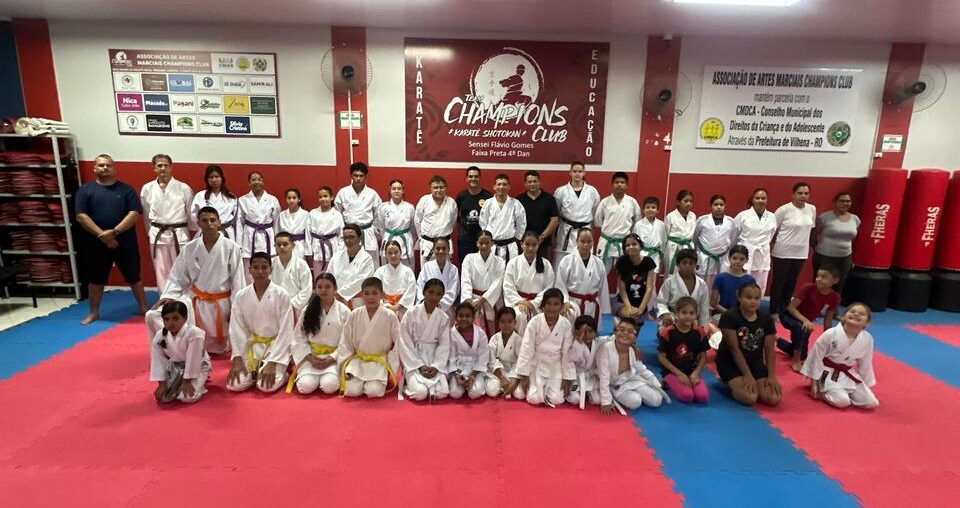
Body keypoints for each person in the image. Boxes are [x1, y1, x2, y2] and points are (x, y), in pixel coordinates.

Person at [146, 206, 245, 355]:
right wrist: (168, 296)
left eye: (212, 220)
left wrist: (237, 307)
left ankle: (202, 347)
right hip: (195, 300)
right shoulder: (190, 248)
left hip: (221, 302)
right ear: (198, 223)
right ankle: (175, 349)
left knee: (219, 344)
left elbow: (238, 281)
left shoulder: (231, 247)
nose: (209, 224)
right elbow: (177, 277)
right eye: (204, 220)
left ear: (219, 222)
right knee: (153, 315)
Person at [75, 154, 148, 324]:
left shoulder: (126, 190)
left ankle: (144, 307)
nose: (105, 168)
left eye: (108, 165)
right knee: (96, 279)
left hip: (124, 241)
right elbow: (81, 216)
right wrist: (102, 235)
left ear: (114, 168)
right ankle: (94, 312)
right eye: (101, 165)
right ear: (95, 168)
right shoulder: (85, 190)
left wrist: (114, 232)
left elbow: (133, 214)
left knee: (134, 276)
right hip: (96, 242)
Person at [226, 252, 295, 393]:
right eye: (256, 267)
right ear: (249, 269)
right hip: (252, 346)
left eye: (264, 267)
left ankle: (282, 374)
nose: (260, 271)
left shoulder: (281, 295)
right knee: (234, 385)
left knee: (266, 386)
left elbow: (286, 331)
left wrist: (273, 362)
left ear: (271, 269)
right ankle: (255, 373)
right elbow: (236, 329)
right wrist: (237, 358)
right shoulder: (241, 296)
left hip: (275, 347)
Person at [801, 302, 879, 409]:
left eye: (861, 314)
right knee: (843, 401)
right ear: (843, 317)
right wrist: (814, 383)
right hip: (826, 372)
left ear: (867, 323)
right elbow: (815, 357)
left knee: (871, 402)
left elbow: (866, 362)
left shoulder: (867, 338)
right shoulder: (831, 334)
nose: (856, 314)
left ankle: (842, 391)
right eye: (852, 311)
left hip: (847, 373)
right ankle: (826, 390)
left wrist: (866, 384)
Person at [717, 282, 782, 407]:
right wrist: (747, 375)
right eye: (748, 298)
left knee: (774, 398)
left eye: (756, 298)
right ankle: (732, 383)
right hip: (730, 362)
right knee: (750, 397)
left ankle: (753, 382)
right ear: (739, 297)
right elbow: (734, 349)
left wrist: (771, 376)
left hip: (754, 361)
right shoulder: (729, 316)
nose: (753, 302)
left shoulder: (766, 319)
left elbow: (769, 349)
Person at [506, 288, 574, 407]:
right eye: (548, 303)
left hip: (555, 365)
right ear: (543, 305)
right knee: (533, 398)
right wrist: (524, 374)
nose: (552, 307)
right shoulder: (534, 322)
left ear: (562, 306)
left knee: (557, 399)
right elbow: (526, 348)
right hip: (537, 363)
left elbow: (567, 352)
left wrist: (567, 376)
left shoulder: (565, 324)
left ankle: (547, 388)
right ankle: (534, 386)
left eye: (556, 304)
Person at [286, 273, 351, 395]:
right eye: (319, 287)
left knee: (329, 386)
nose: (323, 290)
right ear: (315, 289)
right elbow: (298, 338)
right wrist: (310, 357)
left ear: (335, 288)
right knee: (305, 387)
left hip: (333, 358)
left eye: (327, 286)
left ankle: (326, 377)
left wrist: (332, 358)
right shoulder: (307, 310)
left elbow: (347, 341)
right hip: (311, 357)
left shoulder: (344, 312)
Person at [338, 277, 401, 398]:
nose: (370, 297)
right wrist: (345, 364)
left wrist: (391, 368)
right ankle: (357, 379)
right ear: (362, 295)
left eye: (375, 293)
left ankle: (378, 380)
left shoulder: (390, 315)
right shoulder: (354, 314)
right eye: (366, 293)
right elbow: (345, 341)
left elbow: (398, 342)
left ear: (382, 295)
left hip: (380, 362)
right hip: (359, 360)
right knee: (352, 391)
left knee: (373, 391)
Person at [140, 153, 193, 291]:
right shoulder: (147, 189)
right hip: (157, 233)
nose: (162, 168)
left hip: (179, 233)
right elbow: (146, 214)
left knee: (182, 268)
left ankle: (183, 299)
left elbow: (190, 213)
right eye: (159, 165)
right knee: (161, 270)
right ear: (154, 168)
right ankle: (165, 299)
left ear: (171, 167)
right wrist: (150, 232)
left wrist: (191, 231)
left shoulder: (184, 188)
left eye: (165, 165)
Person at [596, 318, 666, 414]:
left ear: (635, 337)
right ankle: (615, 393)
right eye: (621, 329)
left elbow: (642, 369)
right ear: (615, 332)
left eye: (630, 331)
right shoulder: (606, 349)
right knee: (635, 402)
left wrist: (656, 383)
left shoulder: (633, 350)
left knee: (657, 400)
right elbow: (604, 376)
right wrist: (606, 401)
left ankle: (640, 391)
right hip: (615, 384)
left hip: (631, 379)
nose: (625, 333)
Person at [777, 266, 840, 372]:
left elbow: (828, 320)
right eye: (818, 276)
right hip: (788, 316)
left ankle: (777, 339)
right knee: (802, 329)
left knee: (803, 354)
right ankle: (795, 360)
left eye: (823, 277)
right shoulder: (808, 287)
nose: (818, 279)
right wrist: (805, 320)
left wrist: (828, 337)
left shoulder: (835, 297)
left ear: (835, 280)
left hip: (805, 322)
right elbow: (791, 308)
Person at [399, 278, 452, 402]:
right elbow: (405, 341)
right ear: (424, 292)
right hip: (414, 357)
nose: (434, 296)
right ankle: (409, 384)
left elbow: (444, 344)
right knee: (420, 393)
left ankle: (431, 387)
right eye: (431, 292)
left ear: (442, 296)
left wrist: (436, 366)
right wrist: (419, 365)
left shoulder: (443, 317)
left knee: (442, 392)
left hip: (434, 357)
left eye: (438, 294)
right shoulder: (411, 313)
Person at [770, 182, 816, 318]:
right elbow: (773, 230)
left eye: (806, 193)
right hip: (782, 251)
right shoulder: (784, 210)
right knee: (779, 282)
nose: (803, 196)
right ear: (793, 194)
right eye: (800, 193)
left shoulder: (811, 209)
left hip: (801, 253)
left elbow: (811, 228)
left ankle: (784, 308)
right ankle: (774, 310)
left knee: (791, 282)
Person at [149, 300, 210, 404]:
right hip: (175, 367)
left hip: (197, 367)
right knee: (163, 397)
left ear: (185, 318)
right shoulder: (160, 335)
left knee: (187, 397)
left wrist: (187, 381)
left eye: (175, 318)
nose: (170, 323)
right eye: (166, 319)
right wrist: (162, 384)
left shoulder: (194, 333)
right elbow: (158, 360)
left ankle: (200, 381)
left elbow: (193, 358)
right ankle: (183, 382)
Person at [657, 297, 709, 404]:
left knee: (702, 397)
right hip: (672, 371)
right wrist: (679, 374)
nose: (688, 316)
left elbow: (703, 356)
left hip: (691, 370)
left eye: (691, 313)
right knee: (687, 396)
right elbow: (661, 357)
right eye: (684, 312)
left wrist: (696, 373)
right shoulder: (668, 332)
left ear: (696, 314)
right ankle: (667, 381)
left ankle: (689, 380)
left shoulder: (699, 332)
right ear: (677, 313)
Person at [503, 232, 556, 334]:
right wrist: (520, 301)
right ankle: (519, 343)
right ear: (521, 244)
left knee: (543, 318)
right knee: (519, 315)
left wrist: (533, 303)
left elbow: (548, 288)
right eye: (527, 244)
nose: (530, 248)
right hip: (519, 304)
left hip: (539, 305)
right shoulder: (513, 263)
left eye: (534, 245)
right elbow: (508, 287)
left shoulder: (546, 264)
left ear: (538, 245)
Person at [556, 228, 610, 322]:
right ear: (577, 241)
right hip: (571, 304)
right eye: (582, 241)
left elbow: (603, 290)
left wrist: (606, 313)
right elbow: (560, 284)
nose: (586, 245)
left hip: (591, 305)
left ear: (593, 242)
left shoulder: (599, 263)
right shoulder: (567, 260)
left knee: (591, 329)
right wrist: (565, 301)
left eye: (589, 242)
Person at [334, 162, 383, 267]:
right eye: (355, 175)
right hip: (349, 233)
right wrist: (344, 231)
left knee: (371, 264)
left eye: (361, 176)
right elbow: (337, 214)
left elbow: (378, 215)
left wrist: (373, 229)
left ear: (366, 177)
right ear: (351, 176)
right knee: (347, 263)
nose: (358, 178)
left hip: (367, 233)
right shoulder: (343, 193)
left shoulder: (372, 194)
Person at [554, 161, 601, 268]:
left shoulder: (592, 191)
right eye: (574, 171)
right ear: (570, 173)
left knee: (585, 263)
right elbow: (557, 211)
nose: (577, 174)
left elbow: (595, 211)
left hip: (585, 230)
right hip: (566, 230)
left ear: (584, 173)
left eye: (580, 171)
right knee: (562, 264)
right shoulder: (561, 191)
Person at [812, 192, 860, 295]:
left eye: (848, 201)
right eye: (842, 201)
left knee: (839, 284)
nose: (845, 203)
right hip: (824, 256)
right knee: (821, 284)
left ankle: (833, 305)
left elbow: (854, 238)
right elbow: (813, 235)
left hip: (845, 258)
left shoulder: (855, 219)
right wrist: (817, 247)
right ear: (835, 202)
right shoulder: (825, 217)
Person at [238, 171, 280, 283]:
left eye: (259, 179)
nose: (257, 182)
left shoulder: (272, 199)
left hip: (268, 237)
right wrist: (239, 245)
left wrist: (277, 243)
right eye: (253, 180)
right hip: (250, 237)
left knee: (270, 270)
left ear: (263, 181)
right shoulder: (242, 200)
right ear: (249, 183)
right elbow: (239, 223)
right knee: (249, 273)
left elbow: (277, 223)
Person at [461, 230, 506, 337]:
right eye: (481, 243)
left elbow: (497, 283)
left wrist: (482, 300)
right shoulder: (469, 258)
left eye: (487, 243)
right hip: (473, 300)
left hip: (491, 301)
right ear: (477, 243)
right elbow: (465, 280)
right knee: (474, 331)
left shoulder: (499, 261)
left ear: (492, 243)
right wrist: (469, 300)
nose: (484, 246)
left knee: (492, 331)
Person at [734, 188, 777, 296]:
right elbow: (734, 235)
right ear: (752, 199)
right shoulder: (743, 215)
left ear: (767, 200)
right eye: (757, 198)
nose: (760, 200)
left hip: (762, 253)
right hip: (746, 253)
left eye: (763, 198)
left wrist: (762, 245)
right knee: (742, 283)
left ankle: (757, 304)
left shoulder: (772, 216)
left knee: (760, 283)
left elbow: (771, 235)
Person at [594, 172, 641, 272]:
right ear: (612, 184)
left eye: (622, 182)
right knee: (600, 273)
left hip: (624, 243)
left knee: (624, 274)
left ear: (626, 185)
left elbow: (637, 222)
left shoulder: (632, 202)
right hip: (606, 241)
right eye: (617, 182)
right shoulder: (605, 202)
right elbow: (597, 221)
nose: (619, 184)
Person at [657, 249, 711, 331]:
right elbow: (661, 302)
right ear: (678, 264)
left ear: (695, 265)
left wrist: (703, 328)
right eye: (684, 263)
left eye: (691, 263)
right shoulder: (670, 282)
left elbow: (704, 308)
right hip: (673, 320)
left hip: (692, 321)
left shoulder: (702, 284)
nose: (688, 266)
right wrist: (665, 313)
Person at [447, 302, 490, 400]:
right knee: (455, 393)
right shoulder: (451, 333)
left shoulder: (480, 333)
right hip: (459, 369)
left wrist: (473, 376)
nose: (464, 319)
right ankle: (461, 383)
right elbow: (451, 357)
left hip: (475, 369)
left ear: (473, 317)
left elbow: (483, 357)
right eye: (461, 316)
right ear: (456, 317)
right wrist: (457, 375)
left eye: (467, 316)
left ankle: (479, 381)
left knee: (475, 393)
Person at [480, 174, 526, 263]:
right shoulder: (488, 203)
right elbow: (483, 222)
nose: (501, 187)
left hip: (510, 246)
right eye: (499, 184)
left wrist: (516, 238)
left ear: (509, 187)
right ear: (494, 187)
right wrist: (487, 237)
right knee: (491, 269)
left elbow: (521, 223)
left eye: (504, 184)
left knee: (510, 270)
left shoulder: (515, 203)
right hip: (492, 246)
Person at [694, 194, 738, 289]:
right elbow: (695, 237)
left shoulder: (731, 222)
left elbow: (733, 240)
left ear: (725, 205)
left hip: (723, 258)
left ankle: (717, 299)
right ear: (711, 205)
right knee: (702, 285)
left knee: (721, 284)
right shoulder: (702, 220)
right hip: (705, 258)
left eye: (721, 205)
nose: (718, 207)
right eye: (716, 204)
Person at [328, 224, 375, 308]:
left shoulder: (366, 259)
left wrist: (341, 293)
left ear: (360, 238)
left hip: (357, 302)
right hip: (336, 301)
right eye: (345, 238)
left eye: (351, 237)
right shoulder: (336, 257)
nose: (348, 241)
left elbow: (362, 281)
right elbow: (329, 276)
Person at [415, 175, 458, 266]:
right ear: (430, 188)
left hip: (445, 242)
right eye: (435, 187)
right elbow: (417, 220)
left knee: (446, 270)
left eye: (441, 187)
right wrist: (421, 237)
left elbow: (453, 222)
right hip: (428, 243)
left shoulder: (451, 203)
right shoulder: (424, 200)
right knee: (427, 271)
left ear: (446, 188)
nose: (438, 190)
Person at [270, 232, 313, 320]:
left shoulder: (301, 265)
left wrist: (291, 304)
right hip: (274, 307)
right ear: (275, 246)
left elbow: (307, 289)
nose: (282, 247)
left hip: (296, 308)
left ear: (293, 245)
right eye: (278, 245)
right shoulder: (270, 264)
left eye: (285, 244)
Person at [516, 170, 559, 259]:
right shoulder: (519, 200)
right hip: (524, 243)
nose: (532, 184)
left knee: (543, 266)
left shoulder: (549, 199)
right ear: (525, 184)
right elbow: (514, 221)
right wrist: (523, 238)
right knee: (523, 266)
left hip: (543, 242)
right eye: (529, 182)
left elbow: (554, 220)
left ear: (539, 182)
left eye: (535, 181)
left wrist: (542, 237)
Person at [615, 234, 657, 324]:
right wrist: (629, 308)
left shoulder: (648, 262)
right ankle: (617, 321)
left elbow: (649, 288)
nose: (631, 247)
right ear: (624, 249)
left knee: (635, 329)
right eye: (627, 245)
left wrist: (641, 308)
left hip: (641, 303)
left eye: (634, 244)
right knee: (631, 318)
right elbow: (622, 289)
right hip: (624, 302)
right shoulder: (621, 262)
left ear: (640, 246)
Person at [190, 165, 239, 240]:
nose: (214, 180)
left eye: (217, 176)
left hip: (226, 232)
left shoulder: (231, 197)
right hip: (206, 232)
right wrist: (204, 226)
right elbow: (194, 216)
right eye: (211, 177)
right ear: (207, 179)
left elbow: (236, 219)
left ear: (222, 178)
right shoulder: (200, 196)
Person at [564, 315, 603, 409]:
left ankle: (588, 392)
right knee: (575, 400)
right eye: (583, 332)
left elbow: (614, 340)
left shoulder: (600, 342)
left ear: (595, 332)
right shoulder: (573, 344)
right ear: (577, 332)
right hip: (576, 378)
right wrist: (579, 342)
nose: (587, 335)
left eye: (590, 331)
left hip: (591, 377)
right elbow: (571, 359)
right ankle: (578, 392)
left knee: (597, 400)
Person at [455, 166, 493, 262]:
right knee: (465, 266)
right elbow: (455, 216)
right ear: (466, 178)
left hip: (483, 239)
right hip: (465, 240)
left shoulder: (488, 196)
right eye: (471, 176)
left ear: (480, 178)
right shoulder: (461, 196)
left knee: (484, 266)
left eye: (476, 176)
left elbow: (493, 217)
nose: (473, 179)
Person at [485, 307, 524, 398]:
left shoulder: (519, 340)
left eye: (510, 322)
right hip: (499, 372)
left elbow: (520, 362)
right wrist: (502, 378)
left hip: (514, 373)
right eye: (503, 322)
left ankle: (507, 388)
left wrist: (514, 381)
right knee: (491, 391)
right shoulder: (494, 339)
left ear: (515, 322)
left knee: (520, 394)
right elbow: (491, 361)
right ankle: (505, 388)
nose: (506, 325)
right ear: (498, 323)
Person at [376, 179, 416, 268]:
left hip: (405, 239)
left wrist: (409, 239)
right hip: (389, 237)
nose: (396, 191)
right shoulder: (383, 207)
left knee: (407, 267)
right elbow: (381, 227)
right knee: (387, 267)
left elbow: (413, 228)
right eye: (394, 189)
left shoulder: (410, 207)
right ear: (390, 190)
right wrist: (386, 235)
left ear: (403, 191)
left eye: (399, 188)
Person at [416, 237, 460, 319]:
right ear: (433, 250)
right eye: (438, 248)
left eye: (444, 248)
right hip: (426, 308)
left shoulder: (453, 270)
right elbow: (420, 287)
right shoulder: (427, 266)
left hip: (446, 310)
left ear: (449, 250)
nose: (441, 251)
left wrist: (439, 306)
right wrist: (426, 304)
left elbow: (452, 292)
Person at [374, 240, 417, 320]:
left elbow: (411, 291)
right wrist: (384, 306)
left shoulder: (408, 271)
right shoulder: (379, 271)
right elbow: (375, 290)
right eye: (390, 253)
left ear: (401, 253)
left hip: (403, 309)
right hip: (384, 308)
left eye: (396, 252)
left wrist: (397, 306)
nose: (393, 255)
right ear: (386, 255)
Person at [711, 245, 757, 316]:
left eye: (741, 259)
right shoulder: (720, 278)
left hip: (743, 315)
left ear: (747, 260)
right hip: (723, 314)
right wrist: (730, 314)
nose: (738, 261)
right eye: (735, 258)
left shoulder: (750, 280)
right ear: (729, 258)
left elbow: (753, 301)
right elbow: (713, 303)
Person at [309, 186, 344, 274]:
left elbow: (341, 234)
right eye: (320, 197)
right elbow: (308, 233)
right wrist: (309, 250)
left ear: (331, 197)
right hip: (317, 247)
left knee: (333, 274)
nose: (323, 199)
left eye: (325, 196)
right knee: (318, 275)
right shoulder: (313, 213)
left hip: (333, 247)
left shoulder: (337, 214)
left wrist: (340, 250)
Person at [664, 190, 697, 276]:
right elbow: (665, 235)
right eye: (685, 201)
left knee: (687, 273)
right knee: (672, 274)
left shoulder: (693, 216)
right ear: (678, 202)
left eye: (690, 201)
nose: (688, 203)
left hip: (688, 247)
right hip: (674, 248)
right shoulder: (670, 216)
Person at [277, 188, 312, 261]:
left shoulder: (306, 214)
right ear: (286, 199)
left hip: (300, 246)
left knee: (299, 265)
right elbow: (277, 233)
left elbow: (308, 234)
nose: (291, 200)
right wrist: (277, 248)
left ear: (299, 199)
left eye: (294, 198)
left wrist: (308, 251)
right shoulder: (281, 215)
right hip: (285, 246)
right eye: (289, 198)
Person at [634, 196, 666, 274]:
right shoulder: (638, 224)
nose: (650, 209)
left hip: (656, 255)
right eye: (648, 207)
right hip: (642, 254)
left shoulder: (661, 224)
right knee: (641, 277)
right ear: (643, 210)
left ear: (658, 210)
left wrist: (662, 256)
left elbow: (664, 241)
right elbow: (635, 241)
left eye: (653, 207)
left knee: (653, 277)